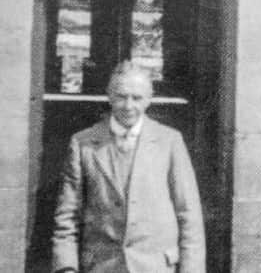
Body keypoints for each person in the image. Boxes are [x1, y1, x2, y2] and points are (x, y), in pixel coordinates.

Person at [51, 61, 205, 273]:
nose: (128, 106)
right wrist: (66, 267)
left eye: (137, 98)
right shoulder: (83, 143)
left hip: (156, 267)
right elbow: (67, 216)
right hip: (101, 267)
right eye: (122, 96)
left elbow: (189, 215)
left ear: (149, 99)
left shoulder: (169, 141)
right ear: (109, 96)